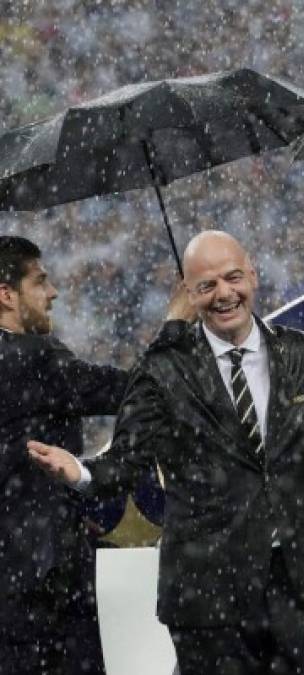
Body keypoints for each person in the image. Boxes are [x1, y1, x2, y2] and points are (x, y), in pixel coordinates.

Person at [27, 231, 304, 674]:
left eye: (233, 277)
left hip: (300, 592)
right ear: (189, 294)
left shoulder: (299, 352)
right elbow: (125, 463)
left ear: (254, 277)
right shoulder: (165, 368)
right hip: (209, 601)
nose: (224, 293)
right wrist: (81, 473)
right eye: (207, 285)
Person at [0, 236, 132, 674]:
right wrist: (175, 324)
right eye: (40, 281)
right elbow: (124, 390)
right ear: (6, 294)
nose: (53, 292)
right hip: (41, 581)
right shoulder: (28, 358)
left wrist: (63, 504)